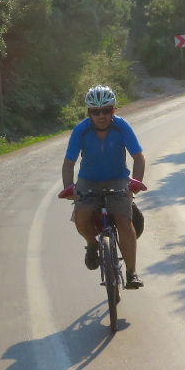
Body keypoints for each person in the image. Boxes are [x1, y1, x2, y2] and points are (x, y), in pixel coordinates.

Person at [57, 85, 148, 288]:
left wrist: (135, 182)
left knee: (124, 221)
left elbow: (138, 157)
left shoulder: (122, 127)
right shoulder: (81, 130)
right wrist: (69, 188)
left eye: (106, 110)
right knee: (81, 214)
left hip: (118, 179)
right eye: (95, 111)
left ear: (113, 110)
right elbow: (68, 163)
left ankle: (132, 273)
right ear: (89, 112)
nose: (101, 116)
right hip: (88, 180)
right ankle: (92, 244)